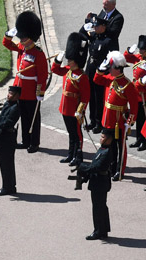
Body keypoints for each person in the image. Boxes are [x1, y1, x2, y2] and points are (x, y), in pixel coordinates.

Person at [3, 11, 47, 153]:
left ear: (31, 38)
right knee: (24, 118)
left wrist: (40, 93)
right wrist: (9, 34)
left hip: (32, 92)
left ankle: (34, 142)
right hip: (21, 89)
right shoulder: (22, 48)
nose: (21, 40)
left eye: (23, 37)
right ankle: (25, 140)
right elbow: (7, 44)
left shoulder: (38, 54)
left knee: (33, 120)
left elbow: (42, 76)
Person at [93, 50, 139, 180]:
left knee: (120, 148)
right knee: (109, 146)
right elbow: (97, 79)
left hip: (119, 121)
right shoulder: (110, 78)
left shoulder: (128, 85)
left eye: (110, 67)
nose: (109, 70)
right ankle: (110, 168)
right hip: (107, 119)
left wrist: (129, 122)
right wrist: (100, 68)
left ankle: (120, 170)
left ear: (117, 69)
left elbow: (134, 107)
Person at [52, 33, 91, 167]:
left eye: (70, 59)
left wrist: (81, 111)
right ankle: (70, 155)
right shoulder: (68, 70)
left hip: (74, 109)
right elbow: (55, 70)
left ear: (76, 60)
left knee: (77, 134)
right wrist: (58, 59)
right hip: (65, 107)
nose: (68, 61)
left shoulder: (82, 76)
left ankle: (78, 156)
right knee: (71, 133)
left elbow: (85, 97)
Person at [77, 127, 117, 240]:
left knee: (98, 208)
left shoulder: (107, 152)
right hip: (97, 181)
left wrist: (81, 166)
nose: (101, 139)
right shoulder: (102, 149)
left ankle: (98, 231)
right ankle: (103, 230)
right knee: (100, 207)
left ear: (109, 139)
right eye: (101, 137)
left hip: (100, 183)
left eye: (103, 137)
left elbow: (96, 167)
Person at [81, 17, 113, 133]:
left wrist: (104, 71)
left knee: (98, 97)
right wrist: (87, 20)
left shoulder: (107, 41)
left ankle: (99, 122)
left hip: (100, 71)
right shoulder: (94, 36)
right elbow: (82, 33)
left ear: (103, 27)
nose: (94, 27)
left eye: (97, 26)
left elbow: (110, 59)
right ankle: (92, 121)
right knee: (91, 97)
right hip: (90, 69)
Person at [123, 35, 146, 151]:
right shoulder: (138, 58)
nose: (140, 52)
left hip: (144, 94)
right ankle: (138, 139)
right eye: (140, 50)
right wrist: (129, 51)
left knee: (144, 118)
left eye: (142, 50)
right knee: (138, 117)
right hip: (137, 93)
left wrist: (142, 82)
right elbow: (126, 58)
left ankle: (144, 140)